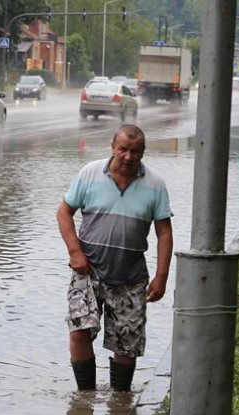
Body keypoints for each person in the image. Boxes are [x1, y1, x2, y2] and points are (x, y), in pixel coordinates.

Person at [56, 124, 173, 391]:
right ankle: (84, 397)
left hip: (131, 277)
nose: (128, 157)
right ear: (112, 148)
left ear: (143, 152)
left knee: (127, 341)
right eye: (123, 150)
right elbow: (64, 212)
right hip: (89, 270)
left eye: (135, 151)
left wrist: (162, 277)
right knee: (80, 330)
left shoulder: (154, 184)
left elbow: (163, 232)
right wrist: (75, 252)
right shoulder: (90, 173)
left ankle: (120, 401)